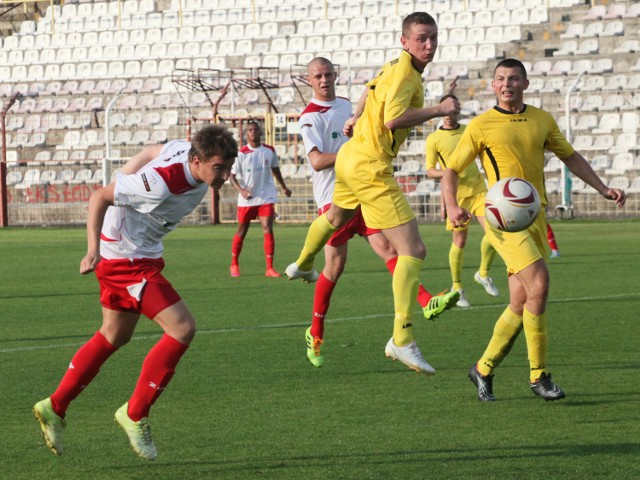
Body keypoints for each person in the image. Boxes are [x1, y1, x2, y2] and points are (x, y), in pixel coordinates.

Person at [33, 125, 239, 460]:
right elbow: (99, 196)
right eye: (219, 168)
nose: (226, 175)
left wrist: (124, 175)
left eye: (228, 167)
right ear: (197, 161)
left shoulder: (182, 150)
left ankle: (54, 406)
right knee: (183, 328)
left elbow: (149, 151)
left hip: (136, 252)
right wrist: (91, 251)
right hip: (125, 259)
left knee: (113, 336)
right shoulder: (158, 185)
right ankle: (135, 413)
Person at [441, 58, 626, 401]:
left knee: (520, 299)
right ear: (492, 86)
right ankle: (539, 376)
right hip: (500, 217)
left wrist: (602, 188)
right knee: (540, 283)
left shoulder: (542, 119)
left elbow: (570, 156)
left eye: (513, 78)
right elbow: (451, 171)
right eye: (500, 79)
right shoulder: (481, 125)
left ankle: (482, 368)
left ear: (525, 83)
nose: (507, 83)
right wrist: (453, 206)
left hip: (534, 214)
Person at [285, 12, 460, 374]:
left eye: (433, 38)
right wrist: (439, 110)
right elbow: (394, 119)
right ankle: (402, 338)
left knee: (336, 219)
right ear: (405, 41)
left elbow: (368, 89)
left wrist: (354, 116)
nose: (429, 45)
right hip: (370, 166)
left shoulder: (393, 64)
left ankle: (302, 264)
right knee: (413, 249)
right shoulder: (405, 74)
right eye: (422, 38)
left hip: (350, 159)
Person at [425, 89, 499, 308]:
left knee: (496, 232)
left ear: (458, 111)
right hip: (456, 197)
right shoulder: (434, 139)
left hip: (479, 192)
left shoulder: (469, 130)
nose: (449, 114)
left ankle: (483, 273)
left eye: (453, 109)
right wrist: (448, 173)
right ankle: (458, 288)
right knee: (460, 241)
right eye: (445, 109)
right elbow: (430, 170)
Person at [229, 120, 291, 277]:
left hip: (266, 197)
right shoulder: (242, 153)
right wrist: (242, 191)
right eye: (250, 130)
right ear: (246, 134)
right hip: (247, 199)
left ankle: (269, 268)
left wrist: (283, 186)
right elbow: (232, 176)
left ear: (261, 132)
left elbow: (275, 169)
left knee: (268, 228)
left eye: (256, 129)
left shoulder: (269, 151)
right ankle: (234, 264)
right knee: (242, 231)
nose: (253, 132)